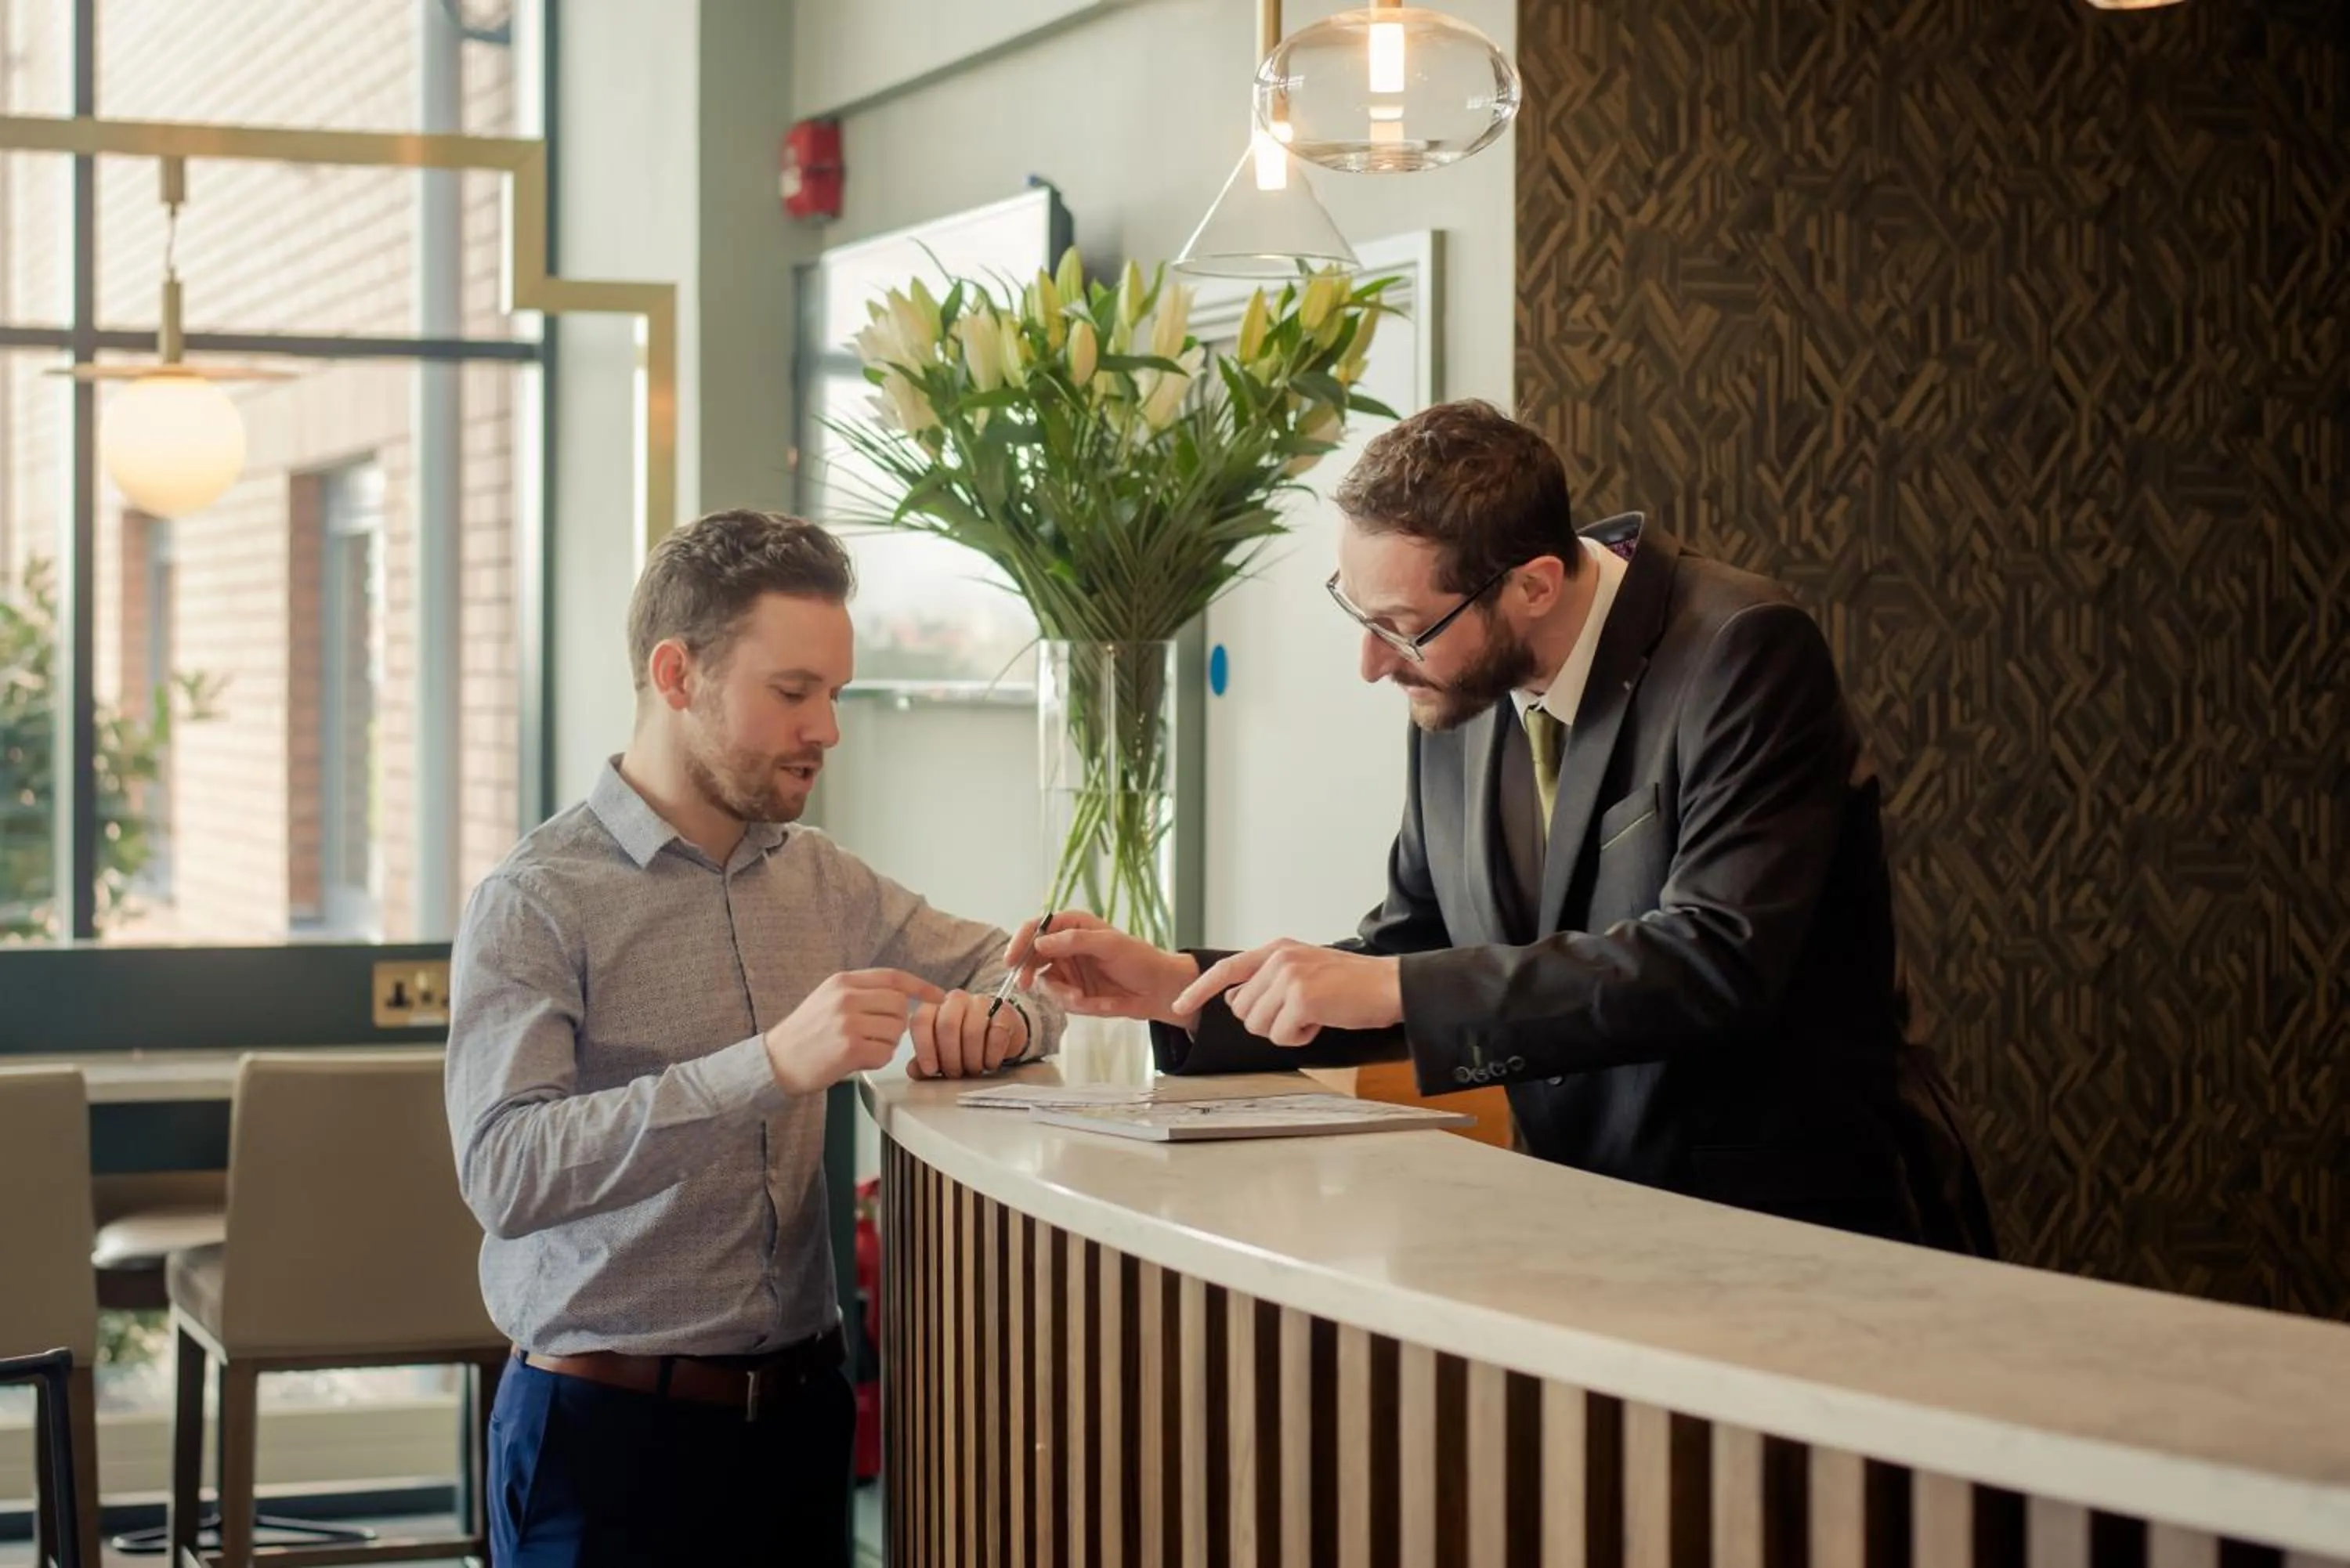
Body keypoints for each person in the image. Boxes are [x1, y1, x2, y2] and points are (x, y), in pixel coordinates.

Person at [1019, 399, 1994, 1255]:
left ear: (1533, 584)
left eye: (1401, 625)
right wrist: (1185, 989)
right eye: (1358, 616)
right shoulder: (1459, 686)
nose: (1372, 663)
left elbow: (1716, 961)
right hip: (1581, 1232)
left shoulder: (1743, 652)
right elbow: (1414, 953)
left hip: (1794, 1230)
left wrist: (1394, 983)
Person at [446, 510, 1059, 1566]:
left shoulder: (821, 877)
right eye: (793, 691)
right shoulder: (536, 900)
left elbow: (1019, 970)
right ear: (676, 675)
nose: (827, 728)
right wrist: (769, 1066)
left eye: (836, 693)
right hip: (605, 1445)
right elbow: (505, 1170)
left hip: (801, 1429)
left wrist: (994, 1022)